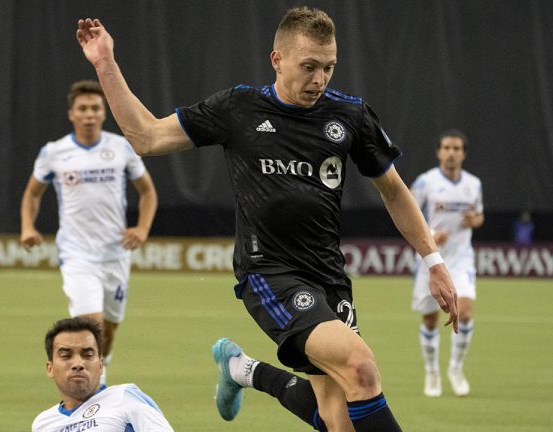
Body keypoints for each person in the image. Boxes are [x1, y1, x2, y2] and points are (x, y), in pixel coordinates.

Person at [76, 7, 458, 431]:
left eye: (329, 68)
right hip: (269, 273)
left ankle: (245, 371)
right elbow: (146, 137)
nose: (319, 80)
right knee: (361, 366)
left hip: (329, 278)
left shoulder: (349, 115)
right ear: (277, 60)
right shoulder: (239, 108)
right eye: (308, 67)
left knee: (338, 420)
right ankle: (248, 371)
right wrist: (105, 63)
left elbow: (394, 190)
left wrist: (434, 262)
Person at [20, 80, 158, 383]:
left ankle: (102, 365)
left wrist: (143, 228)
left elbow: (147, 192)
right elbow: (32, 193)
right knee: (90, 324)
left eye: (95, 108)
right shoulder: (54, 152)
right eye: (82, 109)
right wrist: (28, 226)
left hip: (115, 253)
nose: (89, 114)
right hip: (77, 253)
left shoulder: (121, 147)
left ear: (103, 113)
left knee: (109, 327)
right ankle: (97, 392)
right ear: (71, 114)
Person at [409, 129, 484, 397]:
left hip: (461, 258)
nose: (451, 153)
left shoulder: (473, 184)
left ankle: (455, 368)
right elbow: (407, 215)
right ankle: (431, 371)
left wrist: (474, 221)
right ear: (439, 152)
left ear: (463, 154)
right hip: (431, 260)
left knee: (464, 313)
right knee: (430, 319)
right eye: (447, 148)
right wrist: (429, 235)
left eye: (456, 149)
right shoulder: (425, 183)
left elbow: (478, 216)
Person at [32, 317, 174, 431]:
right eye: (66, 355)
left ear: (100, 366)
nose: (78, 364)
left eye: (87, 354)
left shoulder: (124, 398)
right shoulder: (43, 423)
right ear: (50, 368)